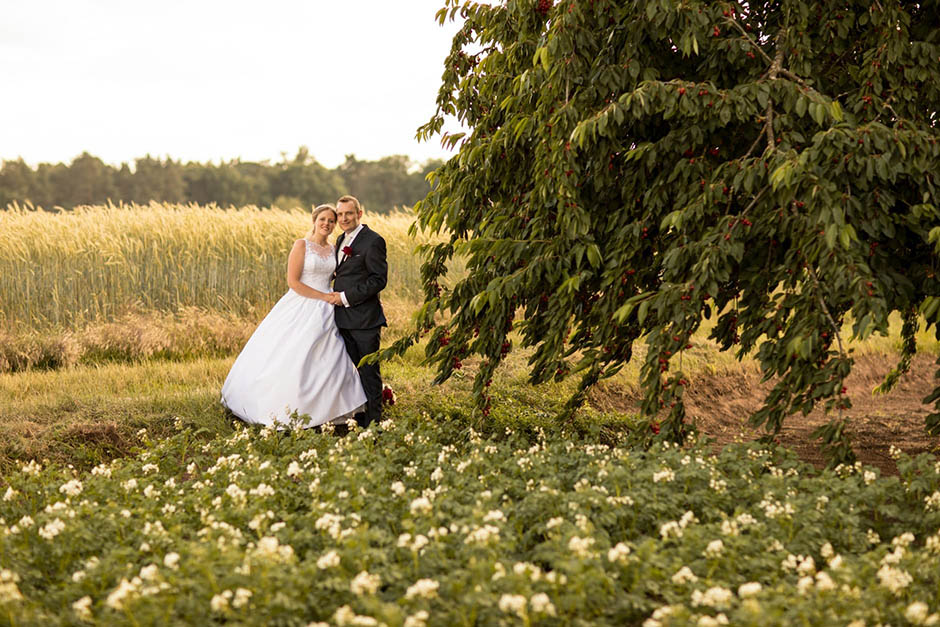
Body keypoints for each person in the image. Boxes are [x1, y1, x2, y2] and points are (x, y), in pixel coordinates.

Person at [220, 204, 367, 428]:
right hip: (303, 302)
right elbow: (294, 282)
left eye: (331, 220)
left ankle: (330, 409)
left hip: (328, 307)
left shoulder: (334, 248)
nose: (327, 224)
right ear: (314, 221)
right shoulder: (301, 245)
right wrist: (322, 296)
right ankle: (283, 406)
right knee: (292, 353)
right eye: (323, 220)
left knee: (331, 355)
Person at [325, 195, 387, 428]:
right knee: (351, 372)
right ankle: (359, 416)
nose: (343, 218)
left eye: (348, 213)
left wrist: (344, 297)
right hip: (342, 320)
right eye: (340, 214)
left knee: (369, 373)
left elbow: (378, 280)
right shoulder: (341, 239)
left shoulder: (373, 241)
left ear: (359, 214)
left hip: (365, 320)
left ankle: (374, 425)